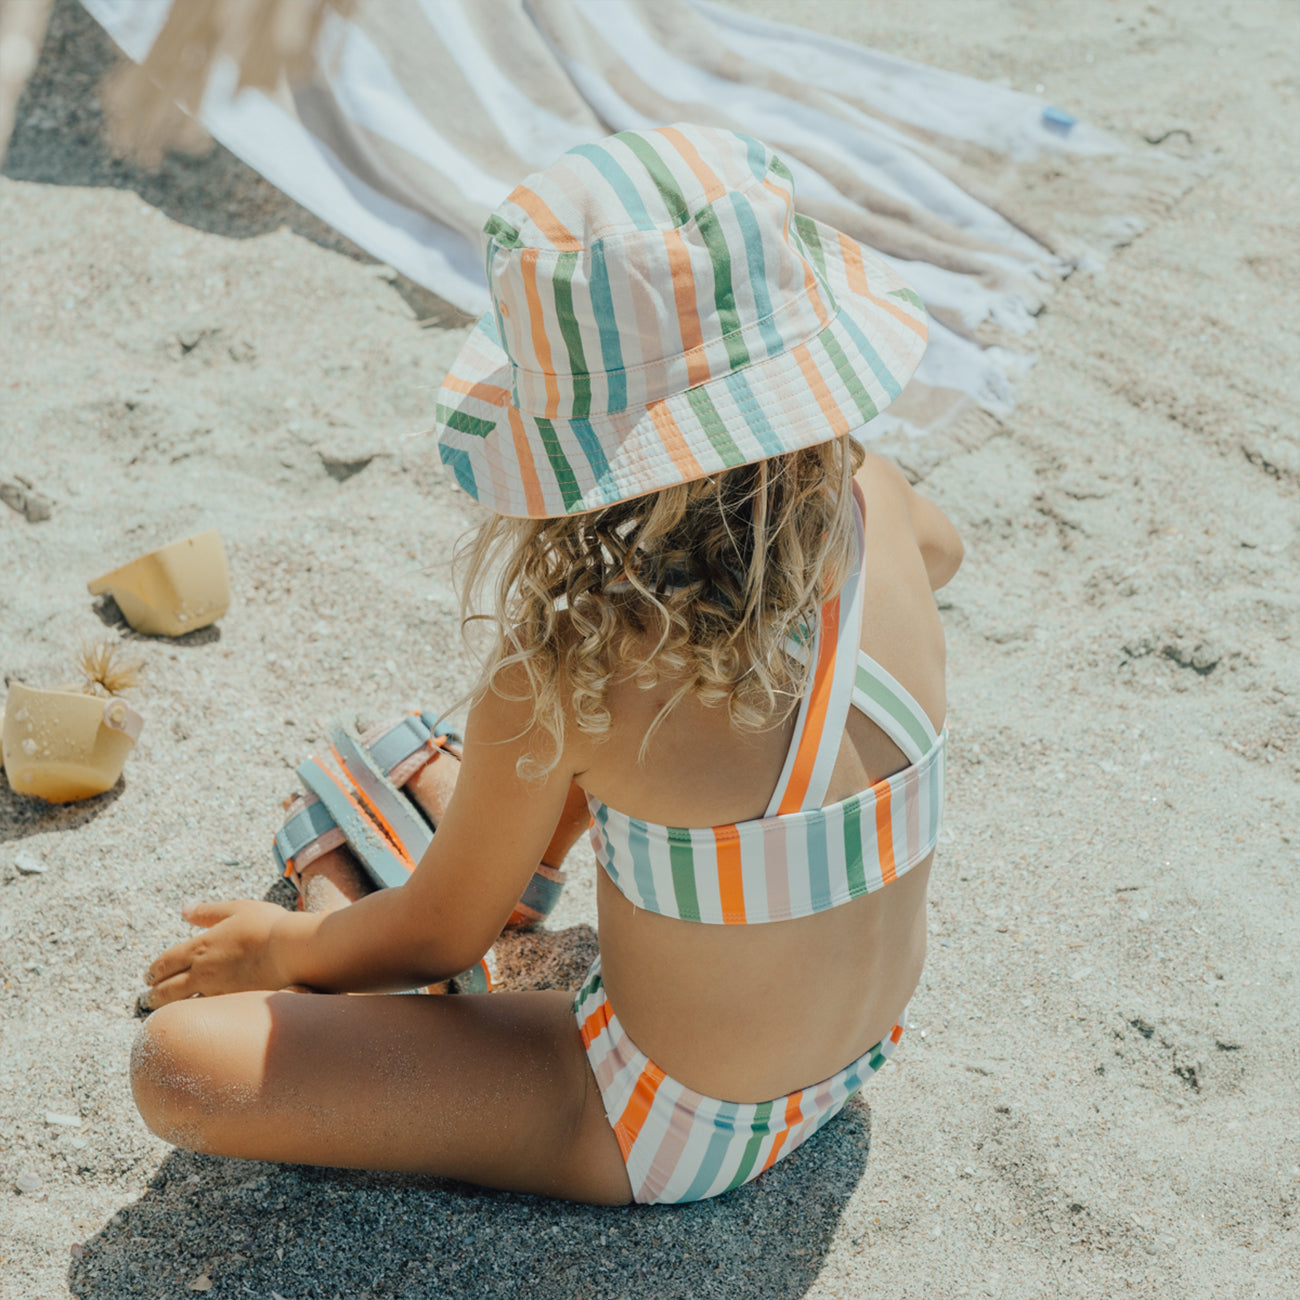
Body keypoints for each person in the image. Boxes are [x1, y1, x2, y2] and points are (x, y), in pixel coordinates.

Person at [131, 123, 963, 1207]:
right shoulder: (877, 504)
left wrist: (281, 948)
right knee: (667, 771)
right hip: (855, 1051)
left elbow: (434, 933)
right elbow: (944, 555)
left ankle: (419, 885)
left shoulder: (570, 677)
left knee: (183, 1065)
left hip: (659, 1126)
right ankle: (509, 863)